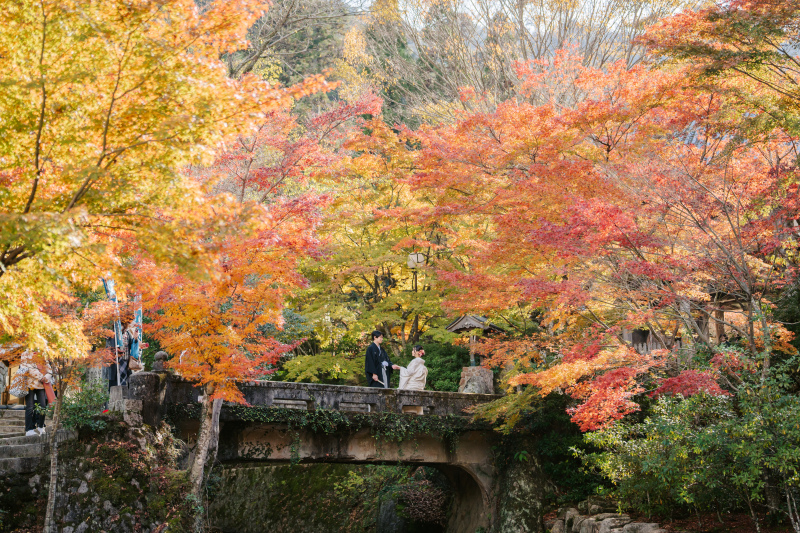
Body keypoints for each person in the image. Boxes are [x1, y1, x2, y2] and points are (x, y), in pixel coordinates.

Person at [9, 351, 52, 436]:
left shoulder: (43, 353)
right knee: (30, 407)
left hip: (41, 384)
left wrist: (47, 376)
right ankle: (29, 429)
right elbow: (27, 368)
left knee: (43, 406)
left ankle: (40, 426)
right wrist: (41, 376)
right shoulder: (25, 354)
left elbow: (48, 368)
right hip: (30, 384)